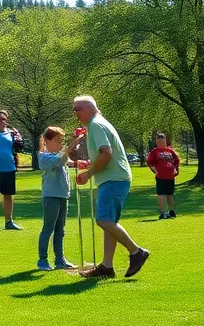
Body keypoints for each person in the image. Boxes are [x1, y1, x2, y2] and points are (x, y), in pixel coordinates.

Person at [72, 96, 150, 279]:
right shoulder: (95, 125)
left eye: (79, 108)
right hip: (114, 178)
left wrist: (89, 173)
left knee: (104, 220)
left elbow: (107, 153)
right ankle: (106, 267)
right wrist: (90, 165)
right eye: (74, 109)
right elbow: (104, 155)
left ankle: (136, 252)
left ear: (91, 108)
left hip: (113, 179)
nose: (75, 112)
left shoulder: (96, 125)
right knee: (110, 223)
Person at [36, 127, 84, 270]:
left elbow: (68, 159)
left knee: (60, 230)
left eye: (61, 141)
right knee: (48, 228)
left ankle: (60, 260)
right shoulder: (44, 157)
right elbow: (61, 159)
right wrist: (72, 145)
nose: (60, 144)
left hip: (63, 196)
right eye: (57, 140)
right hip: (51, 197)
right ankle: (42, 260)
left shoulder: (60, 155)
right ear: (47, 141)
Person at [146, 132, 180, 219]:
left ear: (165, 140)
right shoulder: (154, 152)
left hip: (170, 177)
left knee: (170, 194)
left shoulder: (170, 151)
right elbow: (150, 162)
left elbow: (177, 160)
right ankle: (162, 213)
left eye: (163, 140)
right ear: (156, 142)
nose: (161, 142)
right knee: (161, 194)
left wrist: (176, 169)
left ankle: (172, 211)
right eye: (159, 140)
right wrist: (155, 171)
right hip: (161, 176)